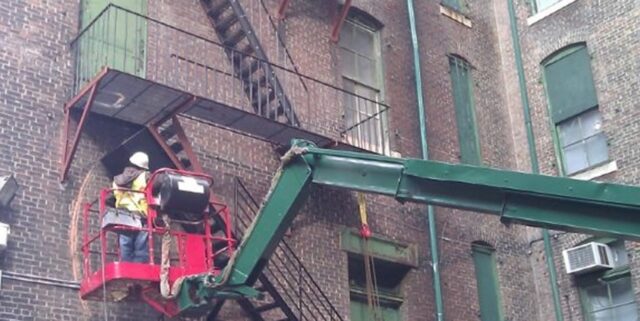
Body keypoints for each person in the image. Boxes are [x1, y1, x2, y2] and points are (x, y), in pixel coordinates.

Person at [113, 151, 150, 263]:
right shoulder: (145, 176)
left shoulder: (116, 180)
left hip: (123, 214)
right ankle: (139, 269)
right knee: (141, 244)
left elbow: (110, 197)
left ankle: (126, 266)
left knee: (125, 242)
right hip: (140, 214)